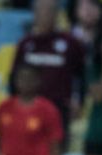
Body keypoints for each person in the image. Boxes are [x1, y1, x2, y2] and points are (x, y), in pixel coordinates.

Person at [11, 0, 88, 131]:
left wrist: (79, 102)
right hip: (30, 107)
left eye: (49, 11)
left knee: (56, 149)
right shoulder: (25, 44)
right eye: (41, 10)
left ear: (57, 14)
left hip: (59, 108)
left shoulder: (70, 43)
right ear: (34, 14)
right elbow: (14, 77)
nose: (45, 15)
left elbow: (82, 76)